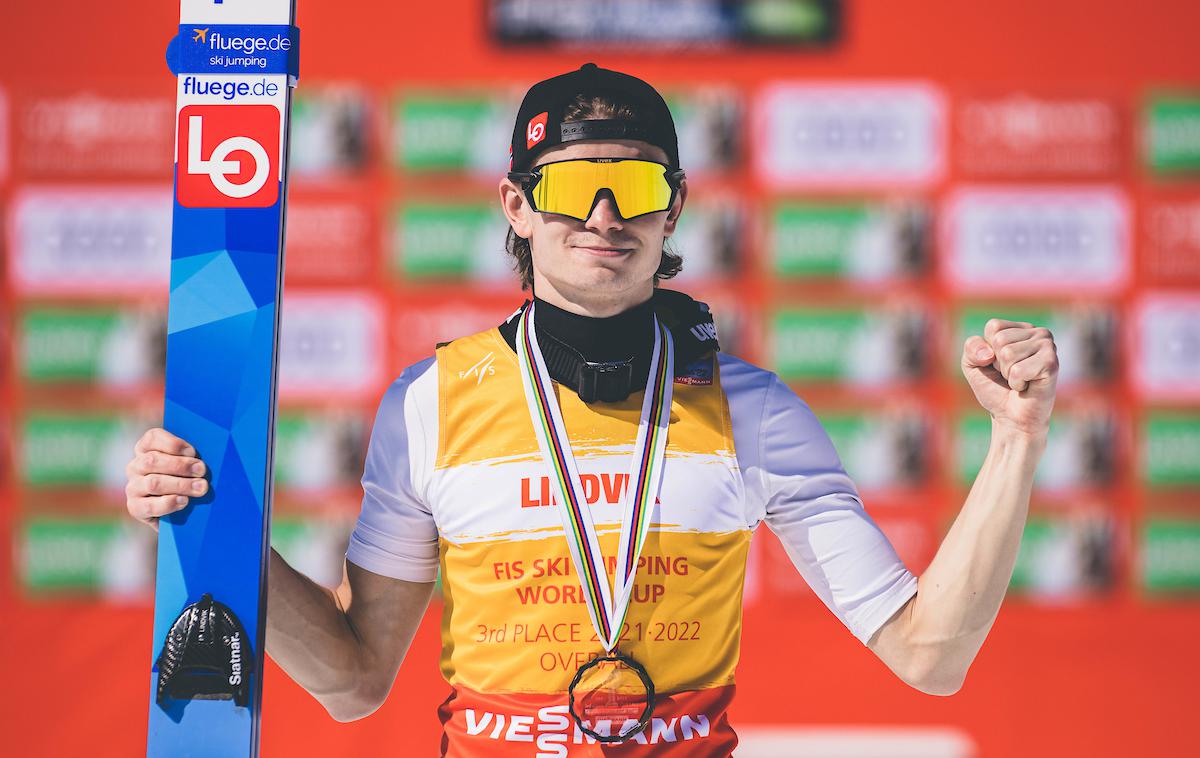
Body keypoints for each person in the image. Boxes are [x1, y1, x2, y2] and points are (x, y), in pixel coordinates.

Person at [124, 63, 1059, 755]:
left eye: (639, 185)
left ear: (676, 208)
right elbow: (354, 679)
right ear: (518, 208)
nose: (605, 216)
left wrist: (1017, 439)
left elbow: (928, 655)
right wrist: (217, 522)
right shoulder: (430, 404)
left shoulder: (754, 411)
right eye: (572, 186)